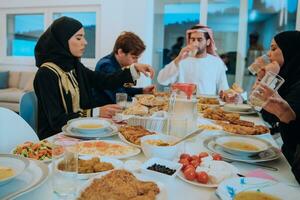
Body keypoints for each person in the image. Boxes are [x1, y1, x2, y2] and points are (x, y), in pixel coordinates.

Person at [33, 17, 154, 139]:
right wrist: (95, 112)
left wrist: (134, 69)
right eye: (79, 38)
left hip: (81, 132)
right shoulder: (46, 74)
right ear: (62, 40)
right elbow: (56, 121)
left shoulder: (75, 66)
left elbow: (104, 80)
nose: (85, 42)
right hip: (56, 139)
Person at [254, 31, 300, 167]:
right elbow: (262, 110)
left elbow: (290, 134)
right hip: (284, 153)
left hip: (291, 162)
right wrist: (263, 78)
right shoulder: (288, 76)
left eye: (273, 49)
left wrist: (269, 77)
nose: (269, 54)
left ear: (290, 49)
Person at [157, 24, 229, 95]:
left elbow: (224, 89)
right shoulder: (181, 60)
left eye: (199, 40)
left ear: (208, 42)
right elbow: (161, 80)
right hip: (183, 105)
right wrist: (178, 59)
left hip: (206, 105)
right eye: (193, 39)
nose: (195, 43)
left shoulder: (216, 63)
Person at [93, 32, 155, 106]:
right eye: (134, 57)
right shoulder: (106, 66)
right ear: (121, 52)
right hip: (102, 114)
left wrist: (142, 91)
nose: (136, 62)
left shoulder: (117, 64)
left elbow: (122, 90)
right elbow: (120, 98)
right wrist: (145, 102)